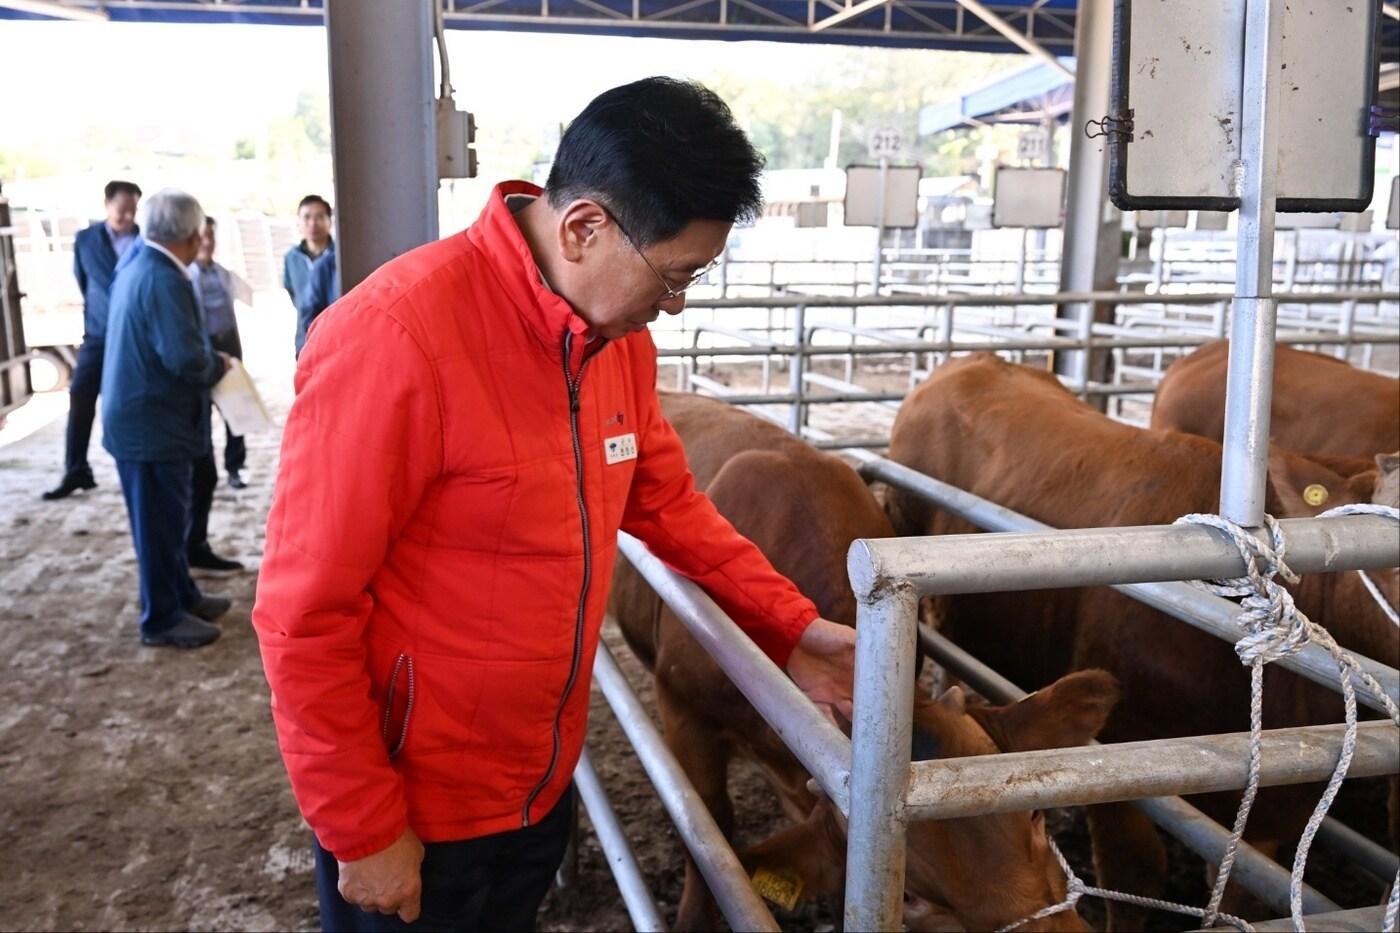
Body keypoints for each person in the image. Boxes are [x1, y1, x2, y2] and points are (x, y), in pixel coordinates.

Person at [252, 77, 856, 933]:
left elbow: (673, 509)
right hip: (417, 813)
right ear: (583, 228)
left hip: (538, 786)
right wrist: (363, 827)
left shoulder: (613, 344)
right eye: (676, 275)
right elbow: (301, 615)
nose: (675, 304)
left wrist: (791, 628)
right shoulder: (395, 337)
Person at [102, 189, 233, 650]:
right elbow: (183, 358)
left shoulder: (142, 262)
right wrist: (218, 364)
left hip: (145, 421)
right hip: (152, 427)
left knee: (167, 520)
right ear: (194, 234)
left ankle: (182, 595)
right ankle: (160, 618)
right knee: (158, 526)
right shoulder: (163, 277)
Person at [43, 180, 141, 500]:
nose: (127, 216)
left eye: (133, 209)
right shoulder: (85, 240)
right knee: (81, 396)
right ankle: (76, 470)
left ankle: (137, 469)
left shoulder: (145, 240)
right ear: (106, 205)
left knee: (133, 402)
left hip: (134, 338)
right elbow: (86, 285)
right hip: (97, 335)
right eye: (121, 209)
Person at [186, 216, 252, 573]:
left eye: (212, 235)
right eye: (202, 235)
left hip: (226, 350)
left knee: (235, 418)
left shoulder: (223, 274)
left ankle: (235, 467)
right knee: (202, 427)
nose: (207, 241)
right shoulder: (185, 277)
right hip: (201, 354)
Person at [282, 194, 336, 356]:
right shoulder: (291, 258)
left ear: (330, 221)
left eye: (319, 217)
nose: (313, 223)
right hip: (305, 337)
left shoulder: (340, 255)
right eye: (307, 217)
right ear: (298, 222)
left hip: (336, 336)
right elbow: (292, 292)